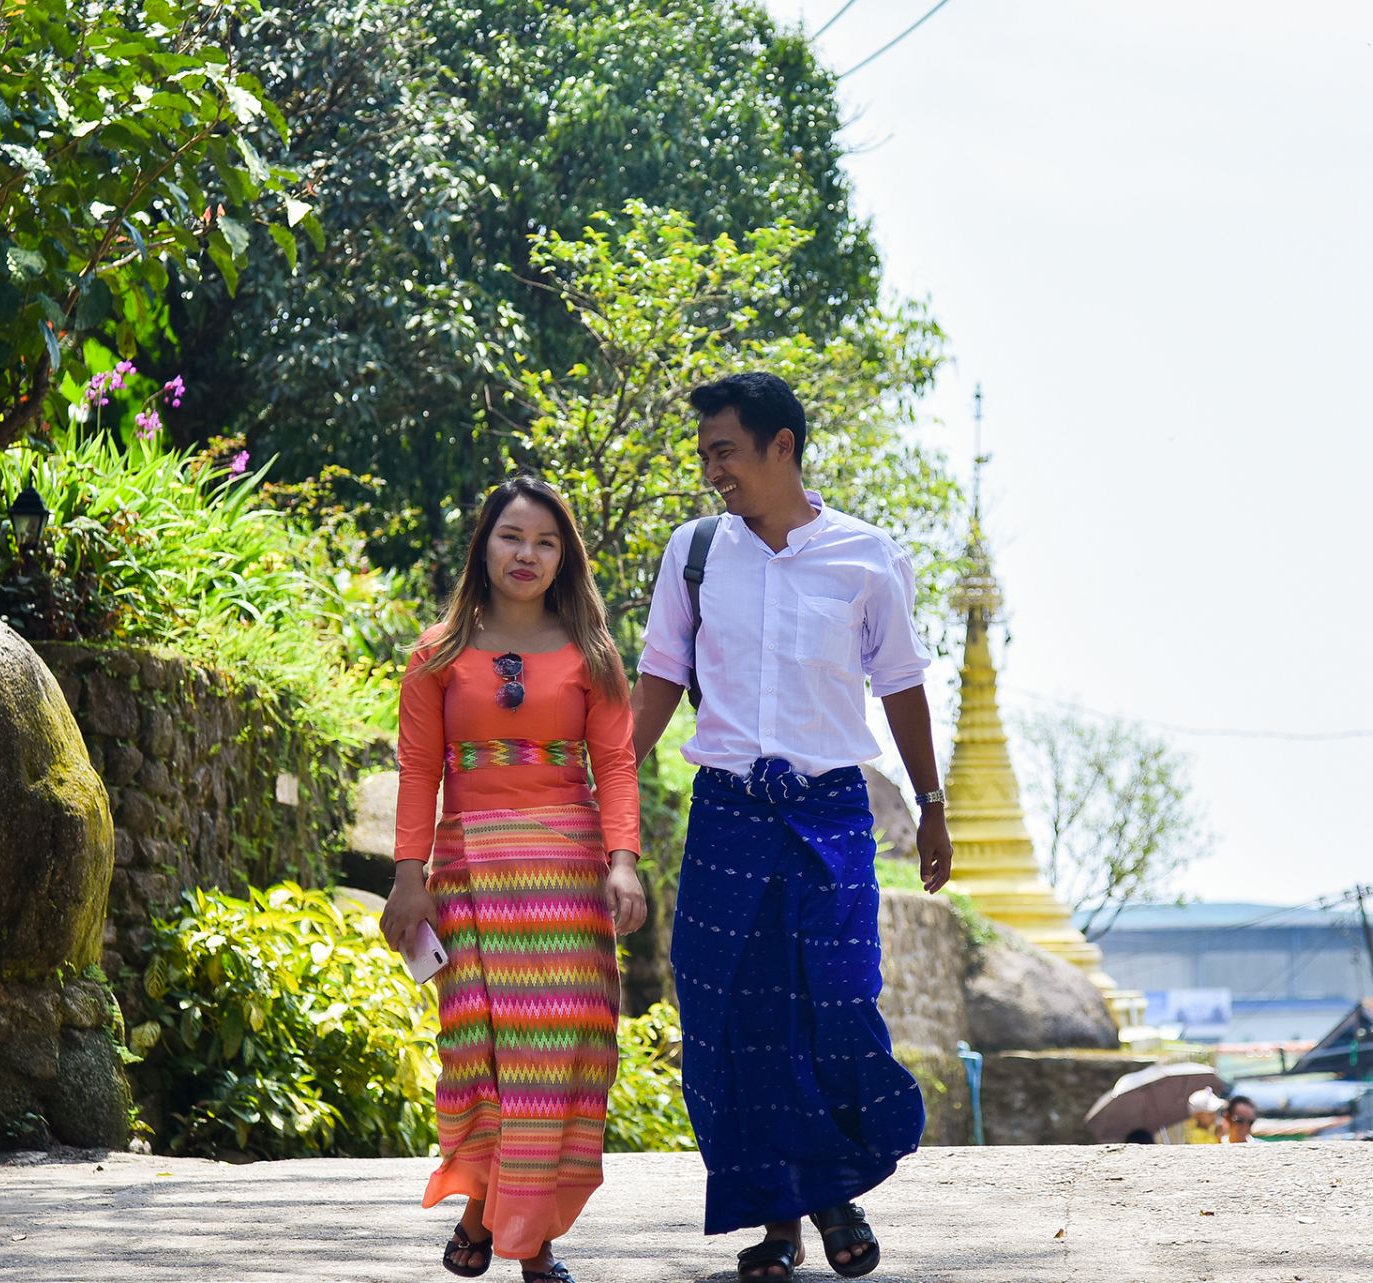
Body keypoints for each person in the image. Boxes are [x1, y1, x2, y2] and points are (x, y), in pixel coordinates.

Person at [629, 372, 955, 1282]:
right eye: (703, 455)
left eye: (724, 451)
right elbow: (659, 674)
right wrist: (601, 783)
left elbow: (901, 687)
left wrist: (932, 807)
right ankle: (778, 1217)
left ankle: (834, 1188)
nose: (711, 471)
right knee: (728, 1012)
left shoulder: (866, 556)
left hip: (829, 814)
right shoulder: (694, 552)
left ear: (783, 447)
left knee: (836, 1003)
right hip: (728, 812)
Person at [381, 474, 647, 1283]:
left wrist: (624, 862)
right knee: (484, 1056)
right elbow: (420, 767)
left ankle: (502, 1226)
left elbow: (617, 764)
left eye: (544, 541)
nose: (526, 554)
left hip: (566, 879)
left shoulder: (592, 650)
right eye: (511, 537)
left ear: (564, 554)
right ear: (484, 545)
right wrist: (407, 875)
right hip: (469, 876)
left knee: (554, 1058)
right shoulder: (437, 654)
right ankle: (517, 1234)